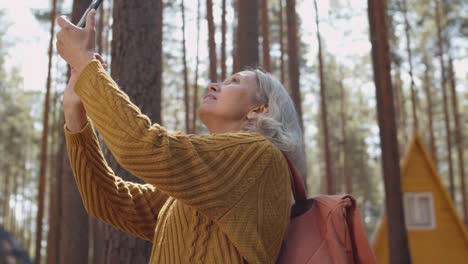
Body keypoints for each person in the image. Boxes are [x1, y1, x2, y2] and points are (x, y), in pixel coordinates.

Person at [57, 9, 306, 264]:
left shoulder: (258, 155)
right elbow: (109, 201)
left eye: (234, 81)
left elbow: (143, 146)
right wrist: (74, 111)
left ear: (259, 109)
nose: (214, 85)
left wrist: (86, 63)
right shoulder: (205, 186)